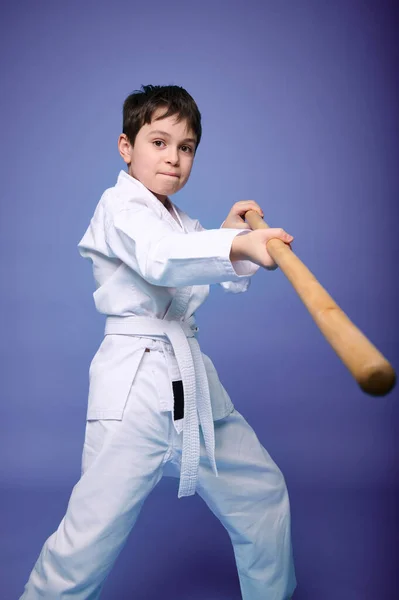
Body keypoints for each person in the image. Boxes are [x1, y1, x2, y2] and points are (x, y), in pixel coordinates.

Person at [20, 84, 297, 599]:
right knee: (88, 539)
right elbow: (159, 257)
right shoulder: (119, 206)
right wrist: (236, 243)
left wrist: (229, 236)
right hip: (135, 391)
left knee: (261, 494)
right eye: (159, 142)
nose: (173, 157)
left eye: (186, 147)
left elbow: (194, 266)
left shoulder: (178, 220)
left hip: (191, 386)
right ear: (127, 147)